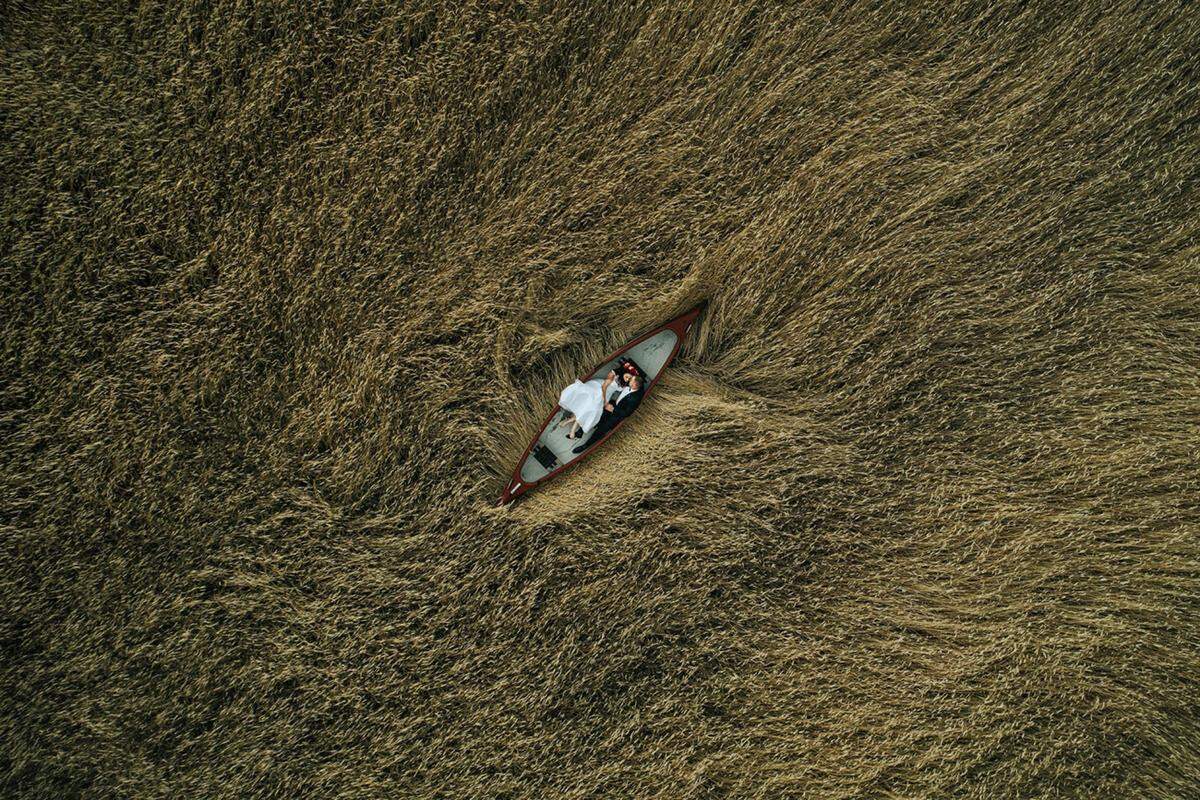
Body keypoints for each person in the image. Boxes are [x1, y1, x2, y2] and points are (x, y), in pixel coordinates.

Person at [570, 372, 644, 454]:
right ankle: (581, 431)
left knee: (600, 431)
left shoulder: (635, 399)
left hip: (616, 416)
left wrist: (613, 409)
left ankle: (585, 446)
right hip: (613, 405)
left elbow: (627, 413)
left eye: (631, 381)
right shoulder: (631, 386)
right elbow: (631, 380)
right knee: (596, 415)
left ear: (635, 385)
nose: (629, 380)